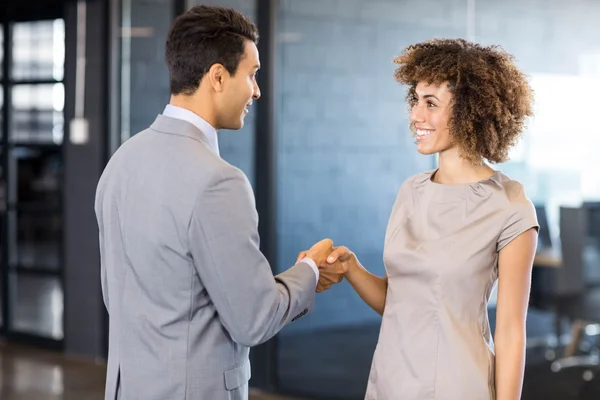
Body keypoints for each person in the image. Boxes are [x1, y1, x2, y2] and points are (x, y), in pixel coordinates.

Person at [94, 5, 345, 400]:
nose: (257, 90)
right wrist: (309, 272)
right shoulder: (219, 181)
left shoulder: (121, 161)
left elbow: (121, 297)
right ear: (217, 76)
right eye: (252, 74)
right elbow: (255, 319)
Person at [307, 39, 539, 399]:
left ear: (469, 112)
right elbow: (402, 301)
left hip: (457, 385)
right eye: (415, 100)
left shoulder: (509, 206)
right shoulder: (411, 190)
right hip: (389, 381)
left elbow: (511, 332)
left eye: (431, 103)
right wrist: (351, 267)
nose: (416, 114)